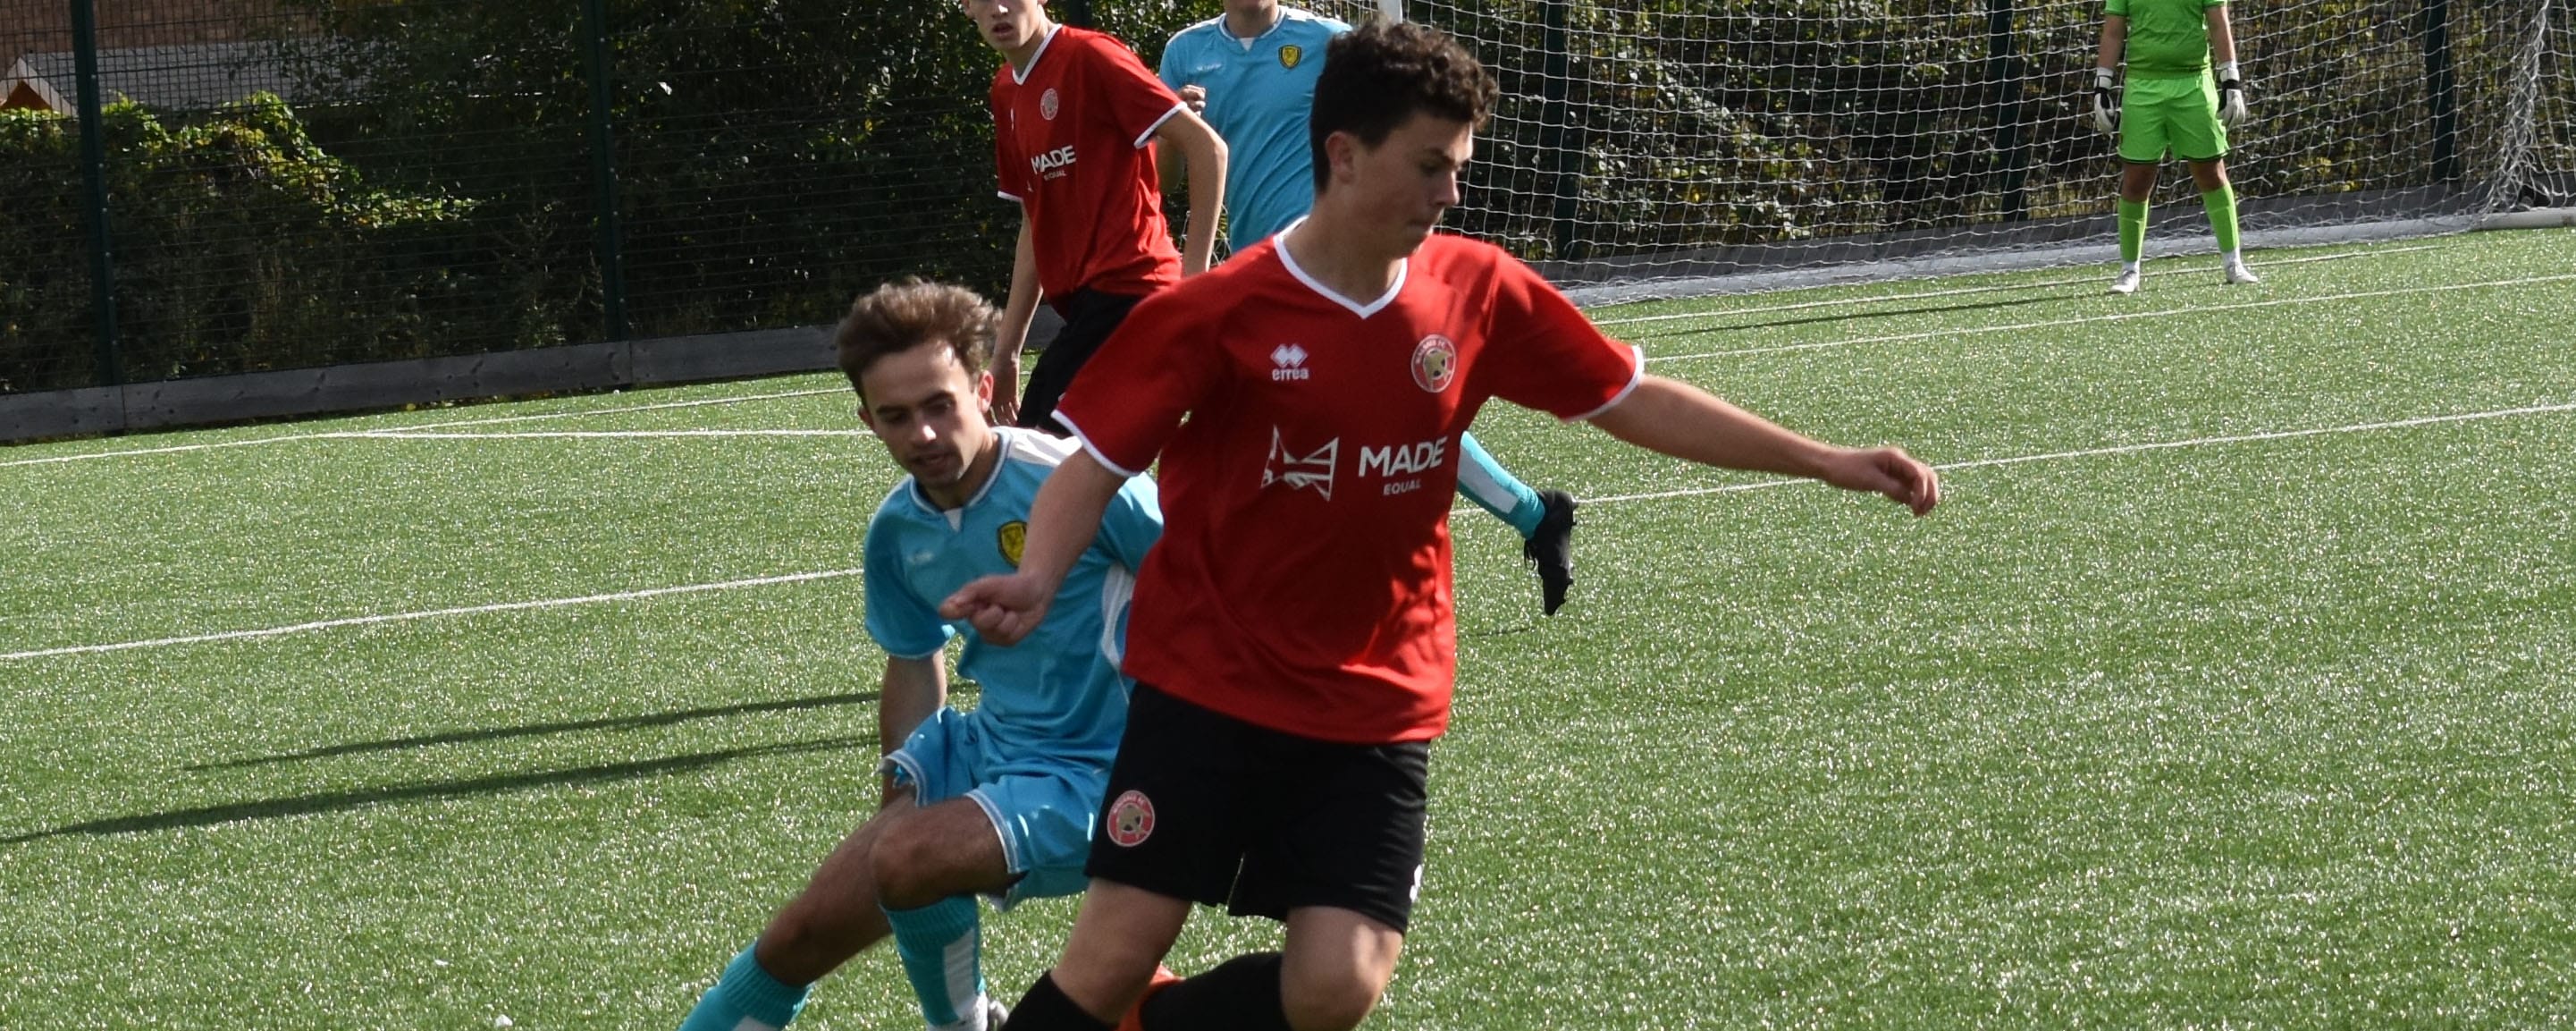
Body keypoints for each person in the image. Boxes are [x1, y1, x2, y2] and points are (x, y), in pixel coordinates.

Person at [944, 22, 1941, 1031]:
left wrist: (1822, 459)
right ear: (1342, 154)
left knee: (1336, 987)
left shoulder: (1476, 289)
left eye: (1457, 168)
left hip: (1377, 698)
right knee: (1112, 954)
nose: (1449, 193)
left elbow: (1631, 396)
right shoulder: (1219, 311)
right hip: (1210, 685)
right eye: (1429, 165)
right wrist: (1035, 581)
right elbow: (1094, 463)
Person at [676, 280, 1163, 1031]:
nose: (924, 435)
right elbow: (913, 662)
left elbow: (1211, 591)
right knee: (798, 936)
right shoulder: (897, 532)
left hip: (1108, 770)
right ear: (867, 422)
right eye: (897, 417)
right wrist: (904, 798)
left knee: (902, 860)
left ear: (984, 386)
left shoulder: (1078, 482)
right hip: (987, 748)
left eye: (940, 404)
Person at [1157, 0, 1584, 615]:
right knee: (1353, 416)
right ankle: (1535, 514)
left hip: (1339, 263)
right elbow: (1167, 175)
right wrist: (1182, 124)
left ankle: (1261, 581)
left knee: (1364, 411)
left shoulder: (1328, 41)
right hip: (1256, 275)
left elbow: (1400, 123)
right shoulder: (1186, 53)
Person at [965, 0, 1227, 434]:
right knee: (1054, 456)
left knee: (1040, 452)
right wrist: (1006, 353)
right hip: (1090, 307)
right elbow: (1035, 222)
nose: (999, 9)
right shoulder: (1006, 91)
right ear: (967, 8)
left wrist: (1193, 288)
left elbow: (1208, 148)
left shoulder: (1092, 56)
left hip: (1134, 292)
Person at [2092, 0, 2260, 293]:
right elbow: (2113, 31)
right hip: (2142, 87)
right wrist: (2101, 86)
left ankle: (2234, 263)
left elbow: (2220, 23)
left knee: (2211, 172)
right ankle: (2129, 270)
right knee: (2136, 179)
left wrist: (2231, 80)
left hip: (2194, 84)